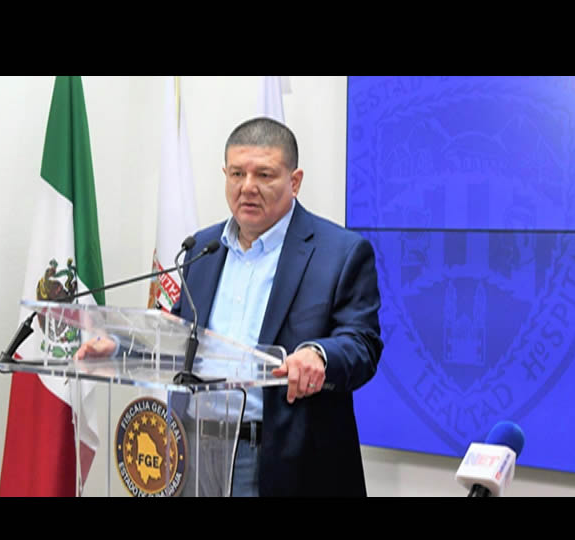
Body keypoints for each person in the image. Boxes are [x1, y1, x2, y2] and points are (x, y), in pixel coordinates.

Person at [78, 117, 383, 497]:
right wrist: (122, 346)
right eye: (237, 173)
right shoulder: (202, 248)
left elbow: (362, 343)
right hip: (192, 447)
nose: (247, 187)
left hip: (283, 458)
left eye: (264, 175)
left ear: (295, 181)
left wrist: (318, 354)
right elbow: (178, 334)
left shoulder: (340, 252)